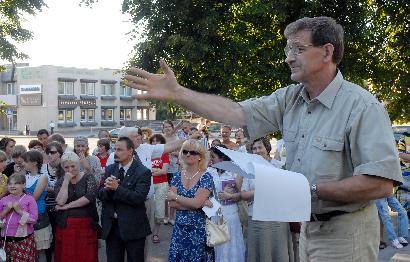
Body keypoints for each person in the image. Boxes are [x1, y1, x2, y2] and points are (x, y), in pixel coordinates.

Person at [124, 16, 403, 261]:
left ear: (327, 51)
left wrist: (310, 190)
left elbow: (381, 184)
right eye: (287, 49)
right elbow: (235, 112)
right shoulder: (290, 98)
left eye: (298, 49)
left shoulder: (362, 107)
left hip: (346, 233)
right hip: (308, 228)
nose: (288, 57)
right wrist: (179, 94)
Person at [99, 137, 152, 262]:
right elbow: (100, 195)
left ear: (130, 151)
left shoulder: (143, 171)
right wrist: (107, 189)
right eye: (115, 149)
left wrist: (117, 188)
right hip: (112, 227)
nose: (115, 153)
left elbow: (138, 198)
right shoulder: (110, 168)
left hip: (133, 227)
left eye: (120, 150)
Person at [241, 138, 294, 262]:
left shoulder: (278, 166)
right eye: (254, 148)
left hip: (277, 218)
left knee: (278, 253)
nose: (257, 151)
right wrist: (260, 191)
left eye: (260, 147)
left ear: (267, 148)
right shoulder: (249, 169)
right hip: (256, 217)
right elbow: (243, 194)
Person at [166, 139, 215, 261]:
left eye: (193, 152)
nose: (188, 154)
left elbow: (196, 203)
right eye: (185, 151)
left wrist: (177, 197)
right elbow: (171, 203)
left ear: (200, 157)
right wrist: (195, 203)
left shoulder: (206, 176)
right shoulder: (177, 176)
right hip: (179, 229)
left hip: (199, 230)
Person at [54, 152, 98, 262]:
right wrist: (66, 181)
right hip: (65, 225)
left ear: (78, 165)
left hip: (85, 224)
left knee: (85, 256)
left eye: (73, 166)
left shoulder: (88, 177)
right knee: (67, 256)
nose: (70, 169)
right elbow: (60, 201)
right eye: (66, 167)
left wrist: (67, 206)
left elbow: (89, 197)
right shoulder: (61, 181)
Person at [209, 145, 245, 262]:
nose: (211, 159)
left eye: (213, 157)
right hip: (215, 214)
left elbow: (242, 195)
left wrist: (231, 194)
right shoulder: (209, 171)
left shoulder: (234, 172)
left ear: (222, 158)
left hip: (230, 214)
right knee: (218, 245)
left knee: (231, 244)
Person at [0, 174, 38, 262]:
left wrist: (20, 211)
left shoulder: (29, 199)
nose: (12, 186)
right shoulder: (3, 200)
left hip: (23, 240)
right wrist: (5, 211)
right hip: (5, 240)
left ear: (24, 185)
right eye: (10, 184)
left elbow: (34, 219)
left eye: (16, 183)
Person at [22, 150, 52, 262]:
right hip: (25, 214)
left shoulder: (42, 177)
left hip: (38, 214)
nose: (23, 163)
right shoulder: (25, 176)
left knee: (40, 247)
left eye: (25, 161)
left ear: (34, 163)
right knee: (30, 247)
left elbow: (34, 198)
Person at [44, 142, 65, 262]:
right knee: (48, 238)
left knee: (59, 237)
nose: (50, 155)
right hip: (46, 207)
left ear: (60, 153)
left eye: (53, 152)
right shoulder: (43, 168)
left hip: (60, 207)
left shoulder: (65, 167)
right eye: (48, 152)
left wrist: (53, 190)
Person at [149, 134, 170, 244]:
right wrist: (156, 170)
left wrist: (152, 171)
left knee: (159, 210)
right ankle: (147, 233)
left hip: (161, 184)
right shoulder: (148, 153)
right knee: (148, 209)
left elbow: (164, 171)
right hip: (149, 184)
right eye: (153, 141)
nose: (155, 143)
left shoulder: (164, 153)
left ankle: (155, 233)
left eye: (157, 141)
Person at [162, 120, 179, 224]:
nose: (167, 128)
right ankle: (166, 215)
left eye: (169, 126)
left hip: (174, 168)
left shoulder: (177, 139)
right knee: (164, 193)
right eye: (165, 127)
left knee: (173, 193)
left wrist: (172, 152)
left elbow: (181, 153)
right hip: (163, 169)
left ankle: (172, 216)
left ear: (173, 128)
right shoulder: (161, 139)